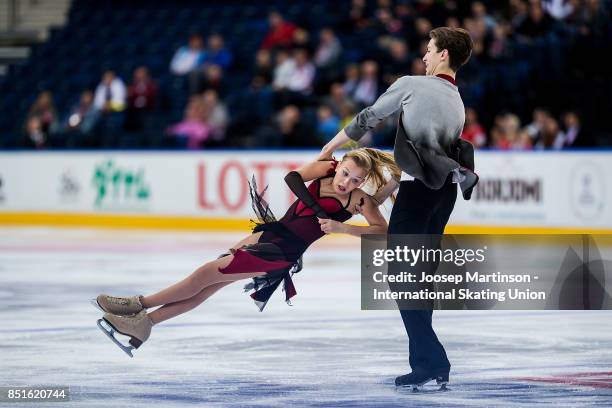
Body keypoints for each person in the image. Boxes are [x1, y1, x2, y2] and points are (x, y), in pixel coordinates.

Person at [93, 148, 401, 357]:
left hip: (280, 254)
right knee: (209, 284)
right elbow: (294, 176)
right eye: (346, 173)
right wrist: (319, 206)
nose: (346, 182)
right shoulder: (326, 169)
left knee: (206, 274)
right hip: (266, 235)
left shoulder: (358, 201)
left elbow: (381, 231)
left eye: (355, 180)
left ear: (363, 183)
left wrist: (343, 229)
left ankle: (137, 306)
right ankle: (145, 325)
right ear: (341, 164)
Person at [320, 27, 478, 390]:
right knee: (418, 278)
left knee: (403, 277)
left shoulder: (413, 84)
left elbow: (369, 118)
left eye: (429, 49)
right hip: (442, 195)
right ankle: (426, 363)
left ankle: (433, 360)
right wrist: (392, 185)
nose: (424, 55)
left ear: (443, 56)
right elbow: (428, 158)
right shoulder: (458, 102)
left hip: (420, 195)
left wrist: (330, 147)